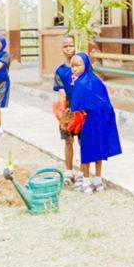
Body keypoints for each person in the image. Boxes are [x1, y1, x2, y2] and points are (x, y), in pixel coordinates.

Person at [68, 52, 122, 193]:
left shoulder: (81, 82)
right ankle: (98, 181)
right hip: (103, 118)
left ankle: (86, 182)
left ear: (85, 65)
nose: (74, 69)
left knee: (86, 150)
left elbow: (77, 107)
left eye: (78, 65)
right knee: (99, 149)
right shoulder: (95, 79)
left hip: (90, 120)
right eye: (72, 66)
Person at [53, 35, 78, 182]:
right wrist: (64, 112)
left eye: (71, 45)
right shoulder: (60, 71)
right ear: (62, 49)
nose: (69, 49)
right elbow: (61, 92)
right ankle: (69, 171)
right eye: (66, 46)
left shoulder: (83, 67)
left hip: (83, 109)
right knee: (68, 140)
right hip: (67, 109)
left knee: (83, 141)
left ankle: (83, 172)